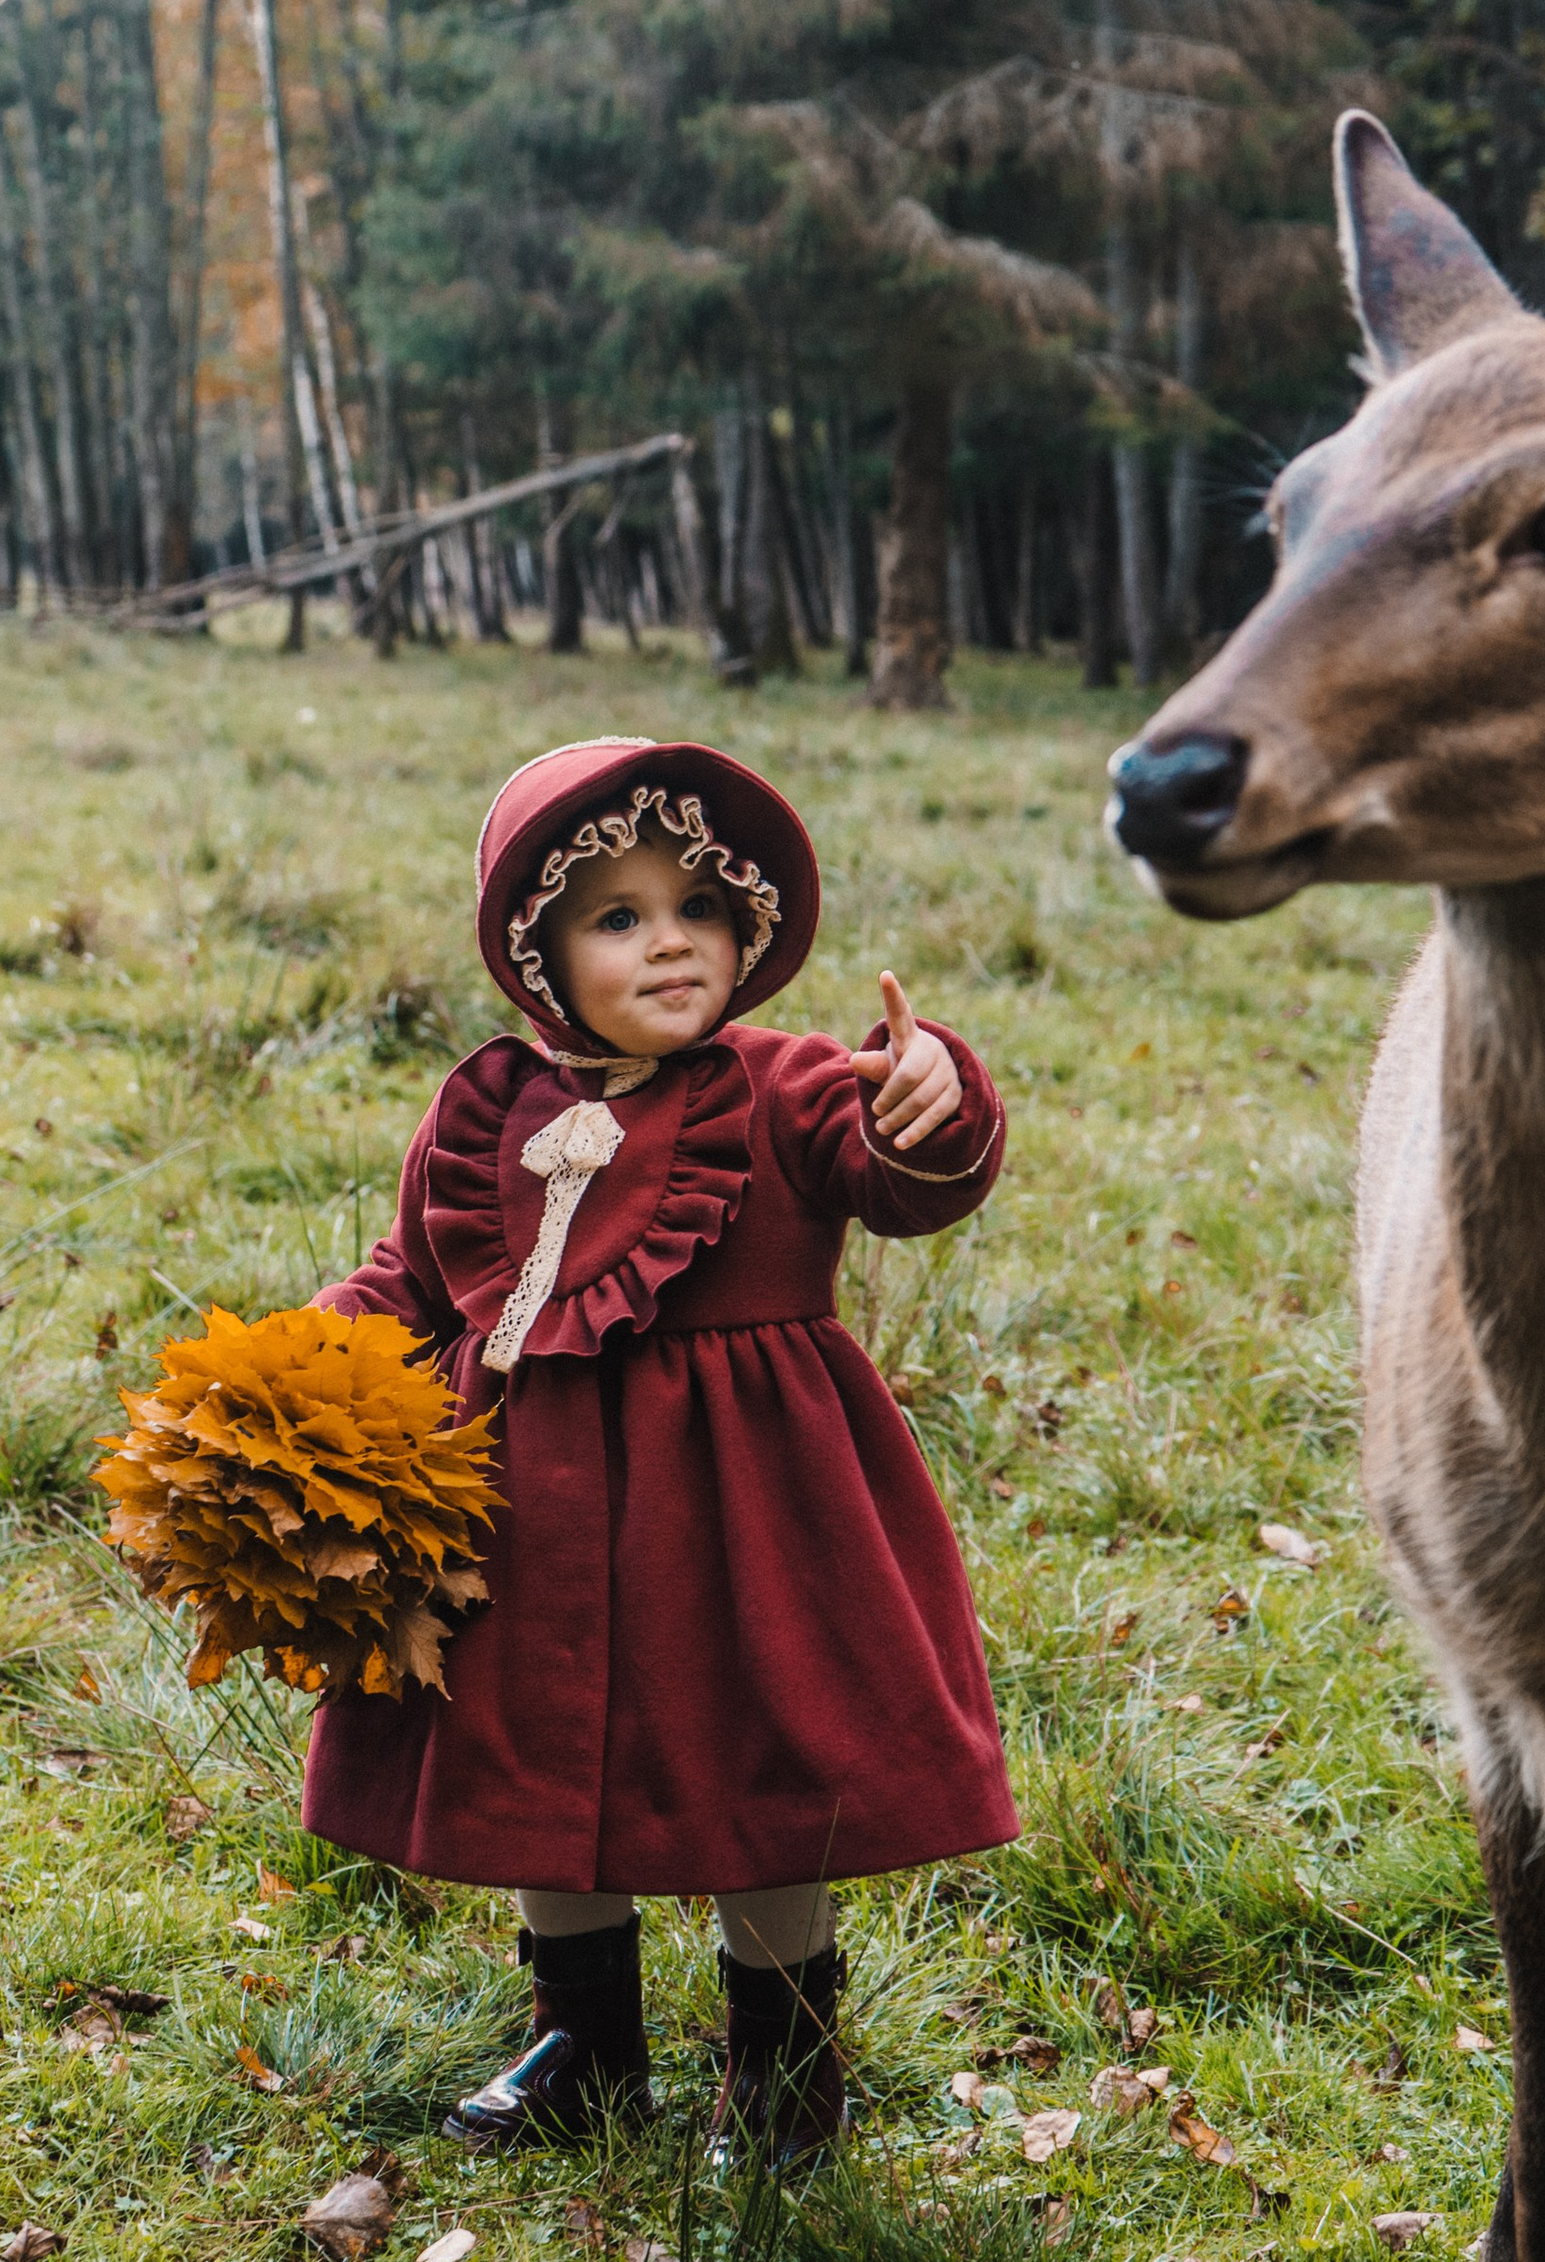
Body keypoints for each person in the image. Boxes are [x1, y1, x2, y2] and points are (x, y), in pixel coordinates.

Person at [300, 734, 1016, 2162]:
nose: (670, 943)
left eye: (697, 909)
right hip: (524, 1506)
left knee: (761, 1764)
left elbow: (907, 1178)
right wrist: (297, 1364)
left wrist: (934, 1100)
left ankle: (784, 2067)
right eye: (617, 917)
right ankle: (583, 2044)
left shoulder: (789, 1086)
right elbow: (417, 1282)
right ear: (538, 955)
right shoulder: (486, 1106)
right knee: (528, 1755)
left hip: (744, 1512)